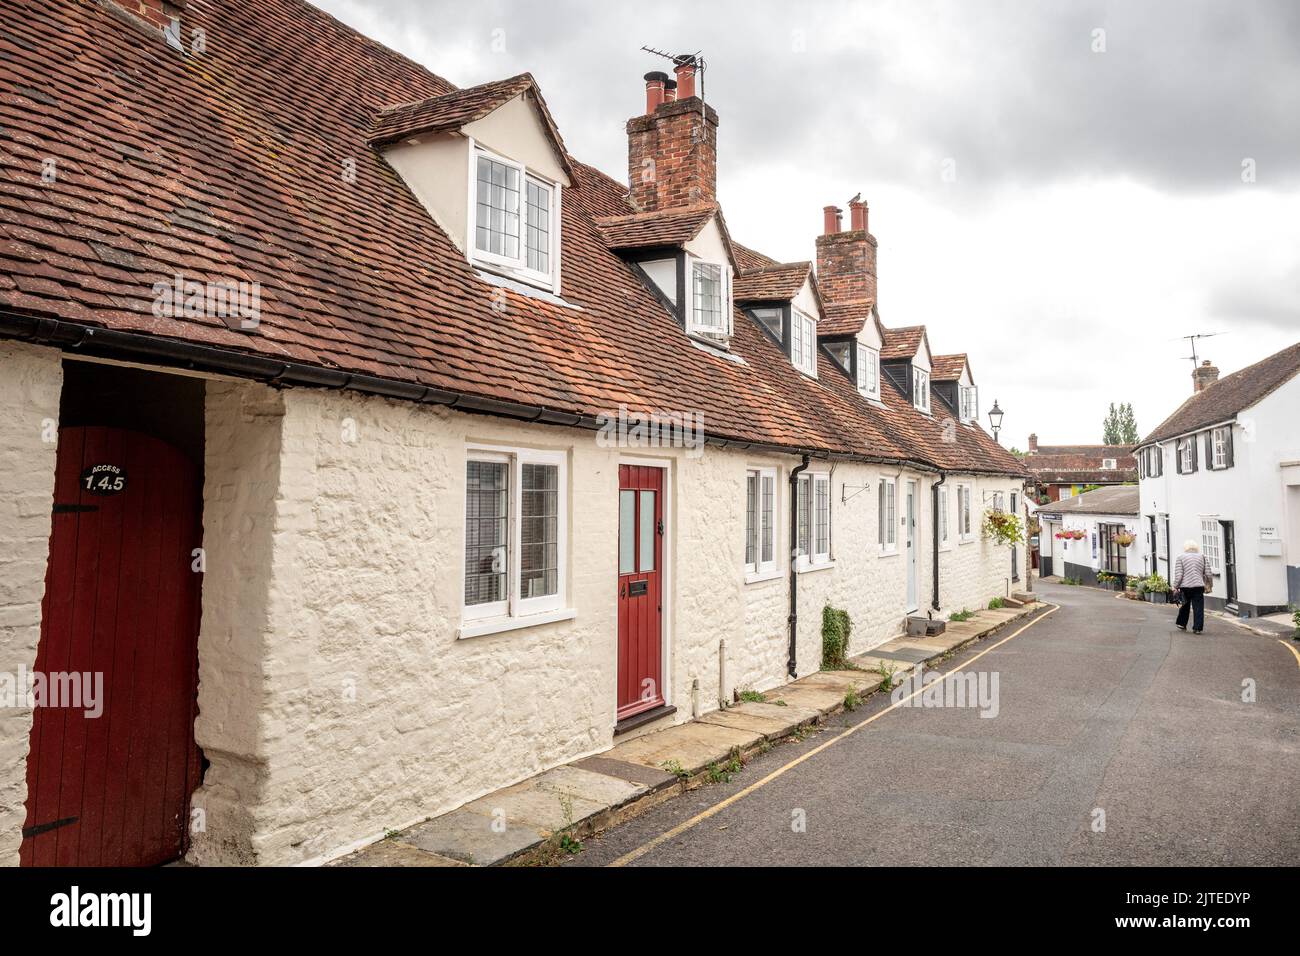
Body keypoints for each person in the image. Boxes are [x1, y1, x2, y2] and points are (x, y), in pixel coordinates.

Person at [1173, 540, 1209, 633]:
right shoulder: (1202, 557)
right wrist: (1209, 585)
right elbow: (1208, 573)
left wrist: (1175, 586)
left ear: (1185, 548)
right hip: (1198, 586)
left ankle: (1181, 623)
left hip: (1185, 586)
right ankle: (1197, 628)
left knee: (1185, 605)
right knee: (1198, 607)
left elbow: (1179, 575)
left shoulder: (1180, 557)